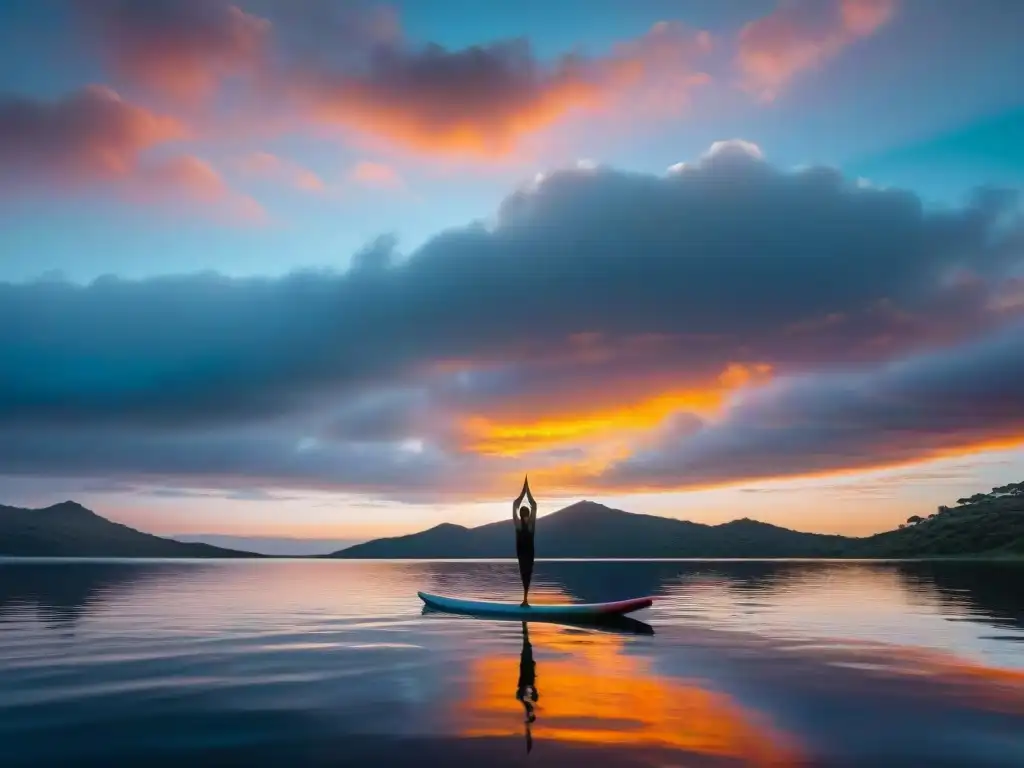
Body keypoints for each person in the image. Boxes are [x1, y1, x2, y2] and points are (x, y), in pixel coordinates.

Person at [512, 475, 537, 607]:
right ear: (522, 515)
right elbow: (515, 504)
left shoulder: (532, 525)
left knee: (528, 574)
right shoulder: (518, 525)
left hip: (530, 552)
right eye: (524, 515)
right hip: (521, 552)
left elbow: (534, 505)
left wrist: (528, 490)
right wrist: (522, 492)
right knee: (523, 573)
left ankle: (525, 599)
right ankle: (525, 600)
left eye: (527, 515)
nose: (526, 517)